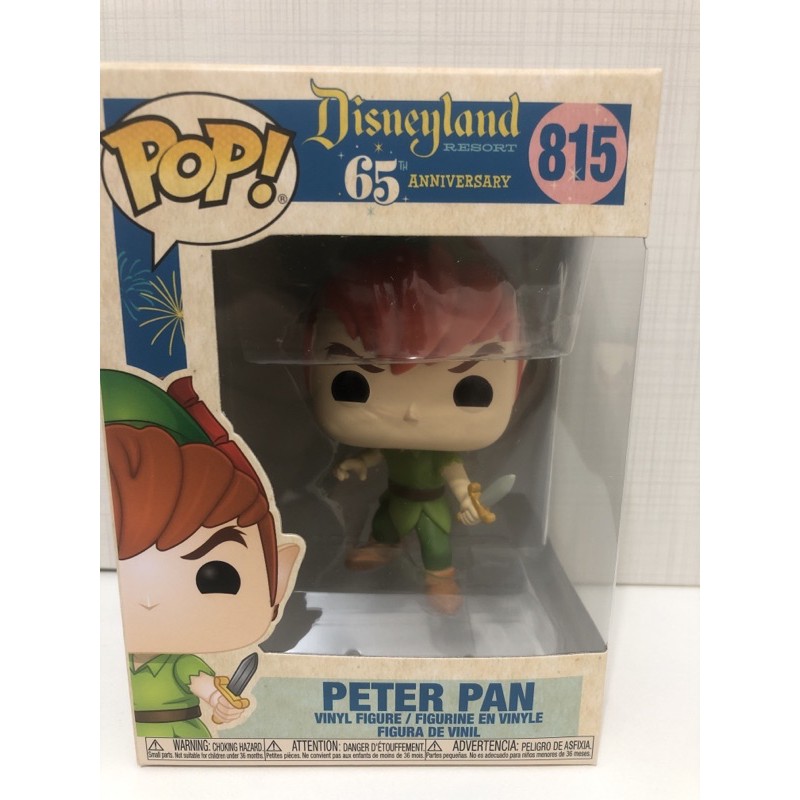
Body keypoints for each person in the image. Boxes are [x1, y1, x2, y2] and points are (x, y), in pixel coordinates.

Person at [307, 239, 520, 614]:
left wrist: (467, 498)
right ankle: (382, 547)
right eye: (353, 385)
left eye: (472, 390)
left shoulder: (440, 453)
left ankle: (440, 576)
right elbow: (378, 453)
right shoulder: (394, 444)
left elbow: (454, 471)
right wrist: (359, 462)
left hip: (430, 504)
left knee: (435, 541)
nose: (412, 412)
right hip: (396, 497)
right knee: (385, 523)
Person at [102, 369, 302, 737]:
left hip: (185, 737)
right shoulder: (115, 654)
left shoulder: (180, 664)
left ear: (280, 577)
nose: (149, 600)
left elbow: (209, 689)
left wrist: (223, 704)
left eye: (217, 577)